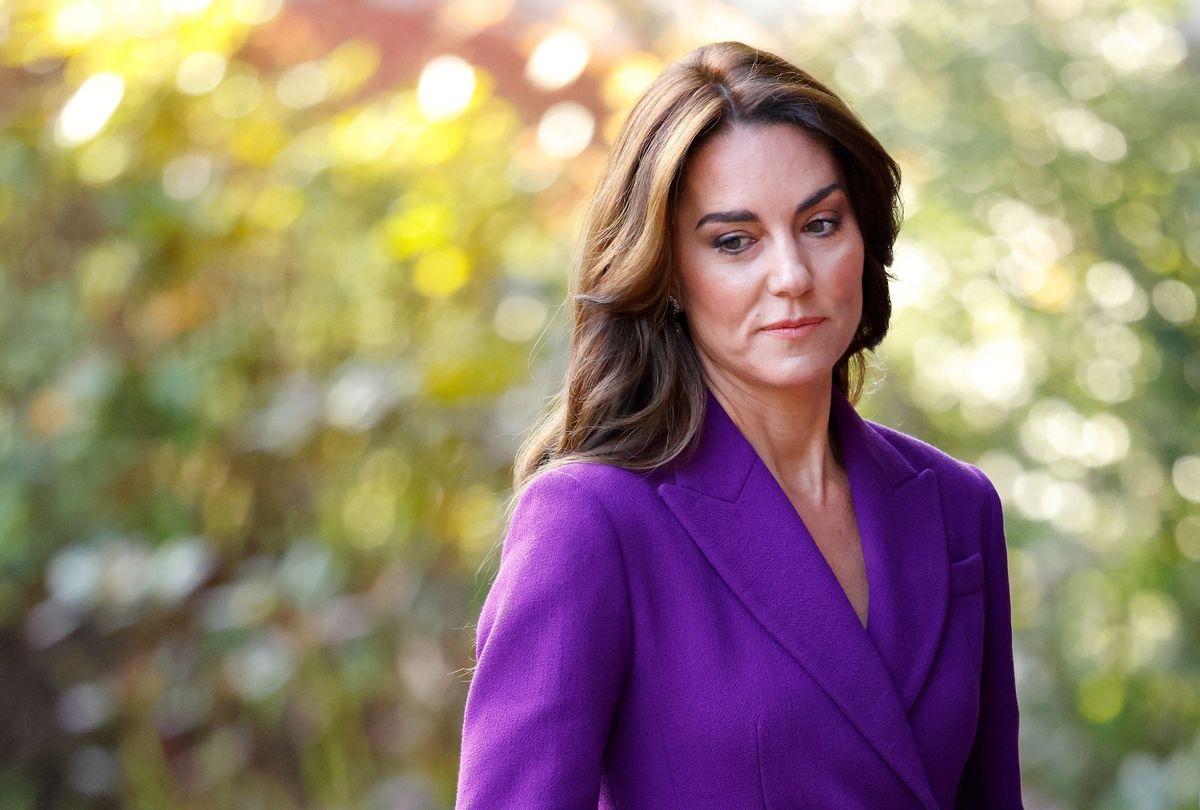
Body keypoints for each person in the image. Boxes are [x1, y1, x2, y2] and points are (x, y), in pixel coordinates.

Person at [456, 41, 1022, 809]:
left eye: (821, 224)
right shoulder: (591, 522)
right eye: (734, 241)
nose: (791, 276)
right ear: (670, 275)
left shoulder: (958, 506)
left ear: (865, 240)